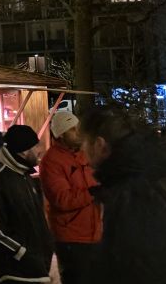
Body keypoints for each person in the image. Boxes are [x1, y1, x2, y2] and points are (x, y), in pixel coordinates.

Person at [80, 109, 166, 284]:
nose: (82, 150)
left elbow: (144, 267)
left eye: (84, 143)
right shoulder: (143, 179)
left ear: (99, 145)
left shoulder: (134, 193)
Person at [0, 125, 52, 284]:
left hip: (35, 267)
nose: (40, 150)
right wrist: (21, 252)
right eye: (36, 146)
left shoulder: (24, 174)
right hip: (14, 270)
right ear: (24, 151)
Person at [40, 112, 101, 284]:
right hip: (71, 237)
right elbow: (62, 199)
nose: (78, 132)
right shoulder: (51, 161)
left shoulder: (84, 155)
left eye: (78, 127)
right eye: (72, 129)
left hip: (94, 232)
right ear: (61, 134)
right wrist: (94, 192)